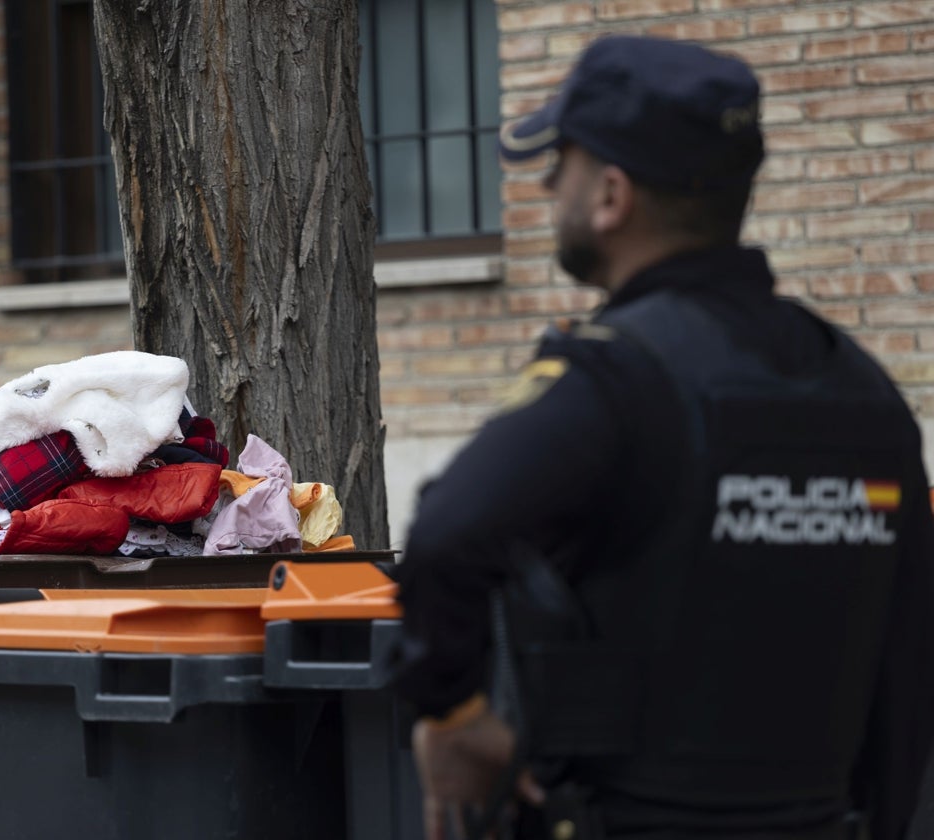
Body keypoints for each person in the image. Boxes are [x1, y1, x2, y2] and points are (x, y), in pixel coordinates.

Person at [391, 34, 934, 840]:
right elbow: (906, 666)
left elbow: (444, 538)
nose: (546, 186)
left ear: (611, 195)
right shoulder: (863, 391)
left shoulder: (615, 380)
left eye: (561, 163)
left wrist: (454, 714)